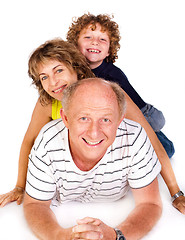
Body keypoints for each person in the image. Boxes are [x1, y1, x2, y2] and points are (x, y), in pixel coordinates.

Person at [0, 38, 184, 214]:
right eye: (44, 77)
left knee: (163, 148)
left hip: (124, 141)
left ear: (76, 69)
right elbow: (29, 142)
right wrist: (20, 186)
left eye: (58, 71)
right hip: (90, 151)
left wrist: (176, 194)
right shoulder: (48, 102)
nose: (53, 82)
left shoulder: (108, 93)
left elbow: (149, 138)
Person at [24, 78, 162, 240]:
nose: (94, 133)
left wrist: (115, 236)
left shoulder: (134, 136)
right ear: (66, 118)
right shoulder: (47, 141)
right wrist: (60, 236)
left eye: (105, 119)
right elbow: (35, 204)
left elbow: (150, 203)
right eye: (84, 118)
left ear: (119, 120)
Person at [66, 13, 174, 158]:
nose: (95, 42)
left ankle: (164, 142)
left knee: (163, 149)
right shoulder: (74, 70)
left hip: (142, 115)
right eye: (88, 37)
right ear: (75, 44)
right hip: (116, 117)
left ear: (109, 50)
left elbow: (127, 111)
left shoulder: (111, 75)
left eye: (102, 39)